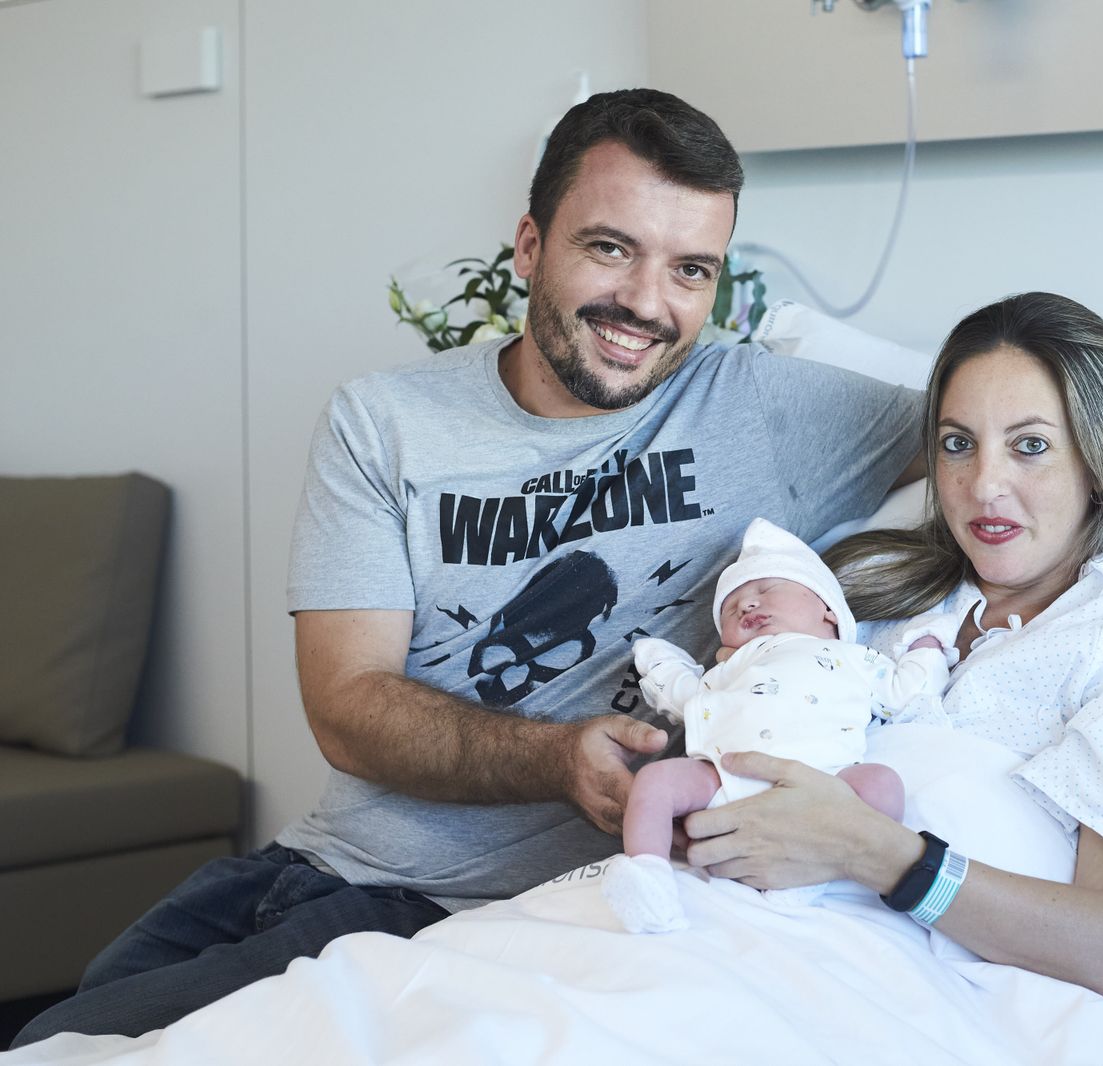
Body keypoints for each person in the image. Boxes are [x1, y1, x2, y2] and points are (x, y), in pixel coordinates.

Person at [13, 88, 923, 1047]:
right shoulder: (385, 422)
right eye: (610, 247)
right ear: (529, 246)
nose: (647, 305)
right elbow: (347, 706)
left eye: (690, 269)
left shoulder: (765, 408)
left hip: (459, 919)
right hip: (316, 863)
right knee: (63, 1029)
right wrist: (554, 758)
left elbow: (1016, 427)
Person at [672, 292, 1103, 1019]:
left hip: (883, 990)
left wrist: (882, 857)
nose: (983, 486)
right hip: (723, 928)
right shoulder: (858, 589)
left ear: (1097, 462)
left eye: (1030, 445)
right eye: (958, 443)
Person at [602, 517, 948, 932]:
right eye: (732, 608)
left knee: (881, 784)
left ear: (828, 610)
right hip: (725, 776)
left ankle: (815, 873)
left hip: (827, 784)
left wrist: (926, 644)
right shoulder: (737, 664)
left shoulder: (856, 660)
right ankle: (649, 878)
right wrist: (661, 663)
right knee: (656, 781)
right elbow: (687, 697)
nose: (747, 604)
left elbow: (909, 692)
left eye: (766, 591)